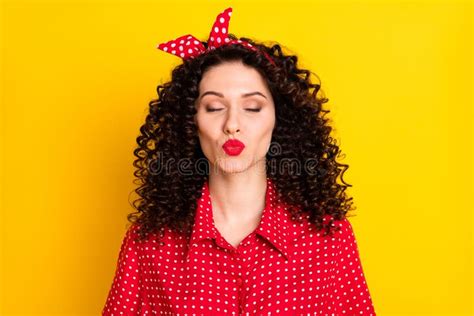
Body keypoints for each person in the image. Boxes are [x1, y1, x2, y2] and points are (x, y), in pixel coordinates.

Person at [102, 6, 376, 315]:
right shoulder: (149, 244)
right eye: (214, 107)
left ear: (279, 120)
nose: (233, 123)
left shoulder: (330, 239)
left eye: (253, 107)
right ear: (190, 122)